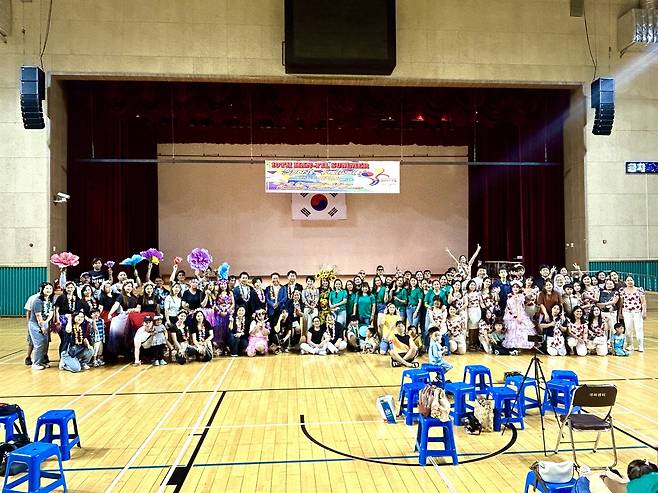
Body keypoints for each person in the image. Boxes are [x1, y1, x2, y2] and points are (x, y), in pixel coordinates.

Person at [503, 281, 536, 350]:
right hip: (510, 314)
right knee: (511, 330)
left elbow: (518, 306)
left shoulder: (520, 296)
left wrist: (518, 317)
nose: (515, 289)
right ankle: (514, 346)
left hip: (518, 313)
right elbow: (508, 305)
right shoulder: (509, 295)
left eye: (517, 287)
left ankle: (520, 345)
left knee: (520, 329)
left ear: (519, 289)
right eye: (514, 287)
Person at [29, 283, 55, 370]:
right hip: (36, 324)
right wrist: (42, 326)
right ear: (42, 290)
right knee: (39, 343)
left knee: (45, 343)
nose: (49, 290)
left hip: (45, 323)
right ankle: (36, 363)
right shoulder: (38, 301)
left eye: (50, 288)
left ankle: (42, 361)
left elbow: (51, 312)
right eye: (46, 288)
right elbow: (38, 315)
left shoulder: (50, 300)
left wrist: (46, 322)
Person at [618, 275, 647, 352]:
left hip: (637, 312)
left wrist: (644, 312)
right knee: (628, 328)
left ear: (634, 281)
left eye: (631, 280)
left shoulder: (639, 290)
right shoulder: (622, 290)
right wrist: (620, 312)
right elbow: (621, 303)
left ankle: (640, 345)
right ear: (625, 282)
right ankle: (630, 345)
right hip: (626, 312)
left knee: (639, 328)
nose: (630, 282)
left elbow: (643, 302)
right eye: (628, 280)